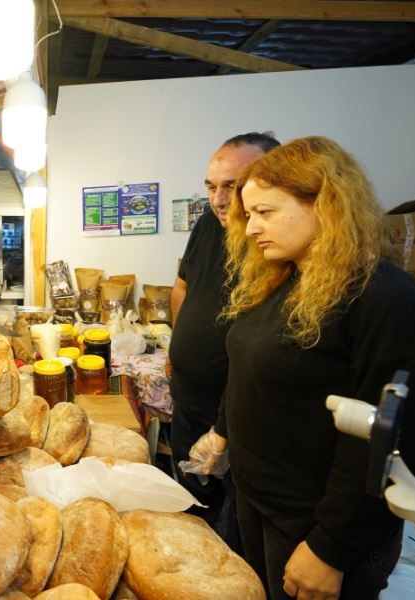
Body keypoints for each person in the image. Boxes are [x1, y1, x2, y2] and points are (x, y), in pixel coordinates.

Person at [188, 136, 415, 599]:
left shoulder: (385, 300)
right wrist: (222, 432)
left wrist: (330, 548)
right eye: (249, 214)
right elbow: (250, 372)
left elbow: (389, 441)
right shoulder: (283, 278)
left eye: (266, 212)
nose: (251, 227)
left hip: (316, 525)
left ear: (326, 204)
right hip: (258, 503)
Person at [167, 132, 280, 551]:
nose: (218, 200)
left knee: (232, 533)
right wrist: (178, 348)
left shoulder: (272, 243)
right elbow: (181, 286)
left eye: (231, 187)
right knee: (192, 503)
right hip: (189, 400)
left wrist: (225, 428)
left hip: (235, 418)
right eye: (212, 187)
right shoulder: (207, 225)